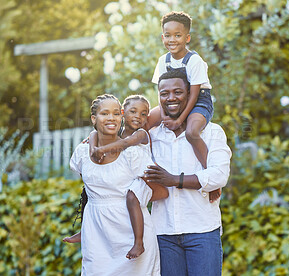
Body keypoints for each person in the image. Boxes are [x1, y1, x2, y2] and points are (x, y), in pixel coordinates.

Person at [64, 94, 166, 275]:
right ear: (94, 119)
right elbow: (90, 189)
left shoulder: (133, 153)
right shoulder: (82, 152)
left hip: (131, 236)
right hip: (97, 236)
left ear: (121, 117)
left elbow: (162, 192)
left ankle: (139, 242)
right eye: (104, 113)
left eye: (115, 114)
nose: (111, 118)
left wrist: (134, 193)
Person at [145, 70, 232, 276]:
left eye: (178, 92)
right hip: (163, 233)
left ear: (190, 94)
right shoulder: (151, 137)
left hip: (202, 231)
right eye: (164, 93)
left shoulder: (211, 132)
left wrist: (174, 180)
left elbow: (219, 175)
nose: (171, 98)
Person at [149, 11, 221, 202]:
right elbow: (161, 92)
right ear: (162, 36)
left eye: (177, 35)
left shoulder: (194, 61)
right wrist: (164, 115)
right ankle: (145, 168)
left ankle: (211, 178)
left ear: (187, 37)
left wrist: (179, 119)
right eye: (167, 35)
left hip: (198, 101)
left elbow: (194, 94)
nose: (172, 39)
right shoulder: (162, 61)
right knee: (144, 121)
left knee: (191, 132)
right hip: (172, 101)